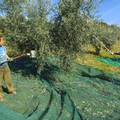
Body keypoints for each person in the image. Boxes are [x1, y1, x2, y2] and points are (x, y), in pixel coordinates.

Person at [0, 36, 17, 101]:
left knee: (8, 79)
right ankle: (0, 96)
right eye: (2, 40)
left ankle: (10, 89)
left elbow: (5, 54)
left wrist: (9, 58)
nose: (3, 41)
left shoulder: (3, 47)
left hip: (5, 66)